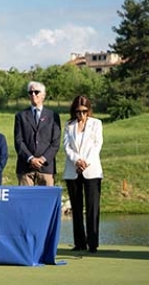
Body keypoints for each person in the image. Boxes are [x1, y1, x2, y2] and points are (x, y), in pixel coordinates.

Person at [63, 95, 103, 253]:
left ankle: (93, 243)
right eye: (78, 111)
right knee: (76, 208)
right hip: (73, 170)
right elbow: (66, 147)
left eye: (84, 111)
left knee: (92, 208)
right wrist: (77, 161)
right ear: (74, 111)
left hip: (91, 170)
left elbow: (97, 145)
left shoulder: (96, 124)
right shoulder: (69, 125)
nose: (81, 115)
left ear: (89, 110)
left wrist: (85, 162)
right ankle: (79, 242)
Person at [14, 81, 61, 186]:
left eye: (36, 92)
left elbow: (55, 143)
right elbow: (18, 141)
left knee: (46, 200)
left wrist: (42, 159)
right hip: (25, 167)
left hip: (46, 167)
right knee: (25, 200)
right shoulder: (20, 116)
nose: (33, 94)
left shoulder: (53, 116)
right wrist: (31, 159)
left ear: (43, 95)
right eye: (30, 92)